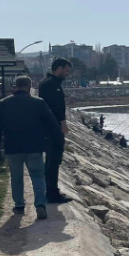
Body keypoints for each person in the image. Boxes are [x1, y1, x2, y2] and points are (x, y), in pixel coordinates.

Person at [0, 76, 60, 220]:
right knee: (38, 176)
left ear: (15, 86)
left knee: (16, 177)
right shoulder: (38, 103)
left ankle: (19, 205)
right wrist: (52, 141)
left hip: (13, 147)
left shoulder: (3, 104)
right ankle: (40, 203)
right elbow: (52, 124)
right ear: (29, 86)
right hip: (35, 146)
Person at [38, 58, 72, 204]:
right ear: (58, 68)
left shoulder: (50, 83)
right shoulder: (51, 84)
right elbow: (55, 107)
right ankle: (52, 193)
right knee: (54, 159)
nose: (67, 74)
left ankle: (51, 190)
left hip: (51, 127)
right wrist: (63, 123)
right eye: (66, 71)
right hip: (52, 128)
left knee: (52, 160)